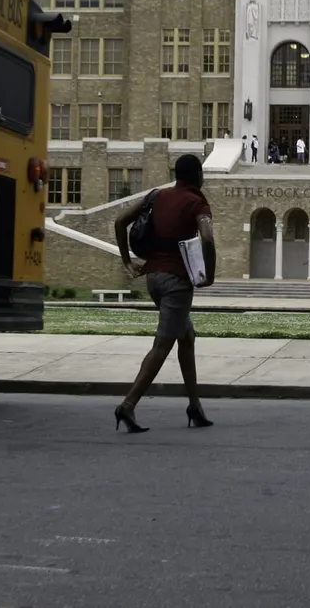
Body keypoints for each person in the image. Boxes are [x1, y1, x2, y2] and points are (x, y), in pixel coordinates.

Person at [112, 154, 217, 433]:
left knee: (187, 336)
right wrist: (210, 273)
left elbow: (120, 221)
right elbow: (207, 236)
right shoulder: (197, 201)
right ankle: (128, 405)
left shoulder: (156, 196)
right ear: (196, 175)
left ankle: (195, 406)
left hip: (153, 278)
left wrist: (126, 260)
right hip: (176, 282)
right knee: (163, 344)